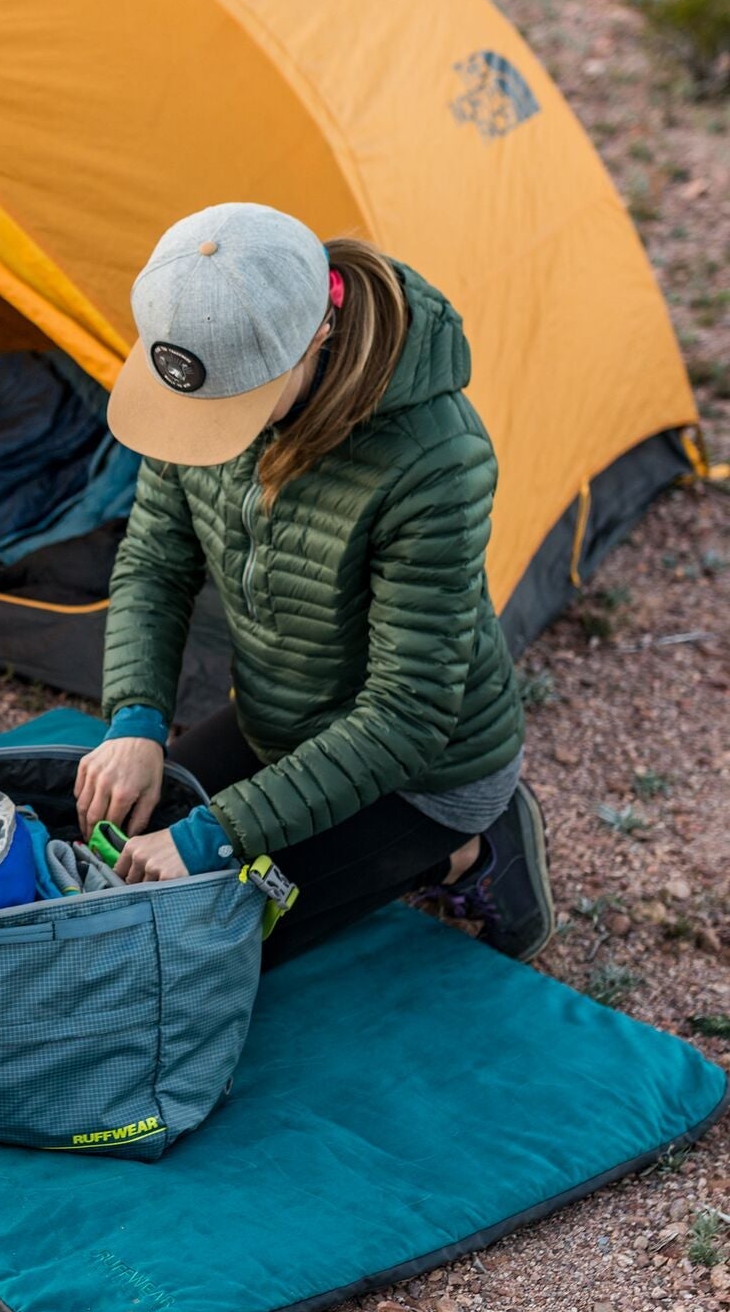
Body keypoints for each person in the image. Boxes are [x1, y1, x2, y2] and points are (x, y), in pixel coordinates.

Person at [74, 201, 551, 966]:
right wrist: (135, 718)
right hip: (281, 725)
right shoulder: (202, 373)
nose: (212, 427)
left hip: (424, 772)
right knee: (98, 868)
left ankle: (472, 853)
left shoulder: (436, 460)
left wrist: (214, 834)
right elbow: (156, 561)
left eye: (236, 404)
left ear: (318, 334)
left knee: (190, 947)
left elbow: (405, 715)